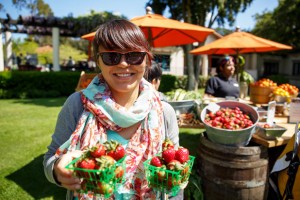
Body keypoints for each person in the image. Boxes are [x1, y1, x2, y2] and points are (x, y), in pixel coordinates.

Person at [43, 19, 180, 200]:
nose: (123, 64)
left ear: (146, 60)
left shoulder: (165, 112)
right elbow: (50, 159)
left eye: (134, 56)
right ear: (98, 61)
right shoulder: (77, 105)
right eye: (111, 56)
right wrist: (57, 170)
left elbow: (175, 171)